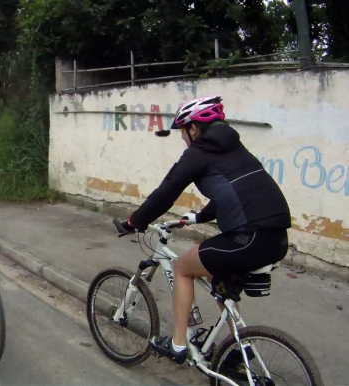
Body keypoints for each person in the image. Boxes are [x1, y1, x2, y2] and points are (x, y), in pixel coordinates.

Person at [115, 95, 291, 364]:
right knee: (216, 277)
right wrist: (199, 216)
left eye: (183, 132)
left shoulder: (198, 153)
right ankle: (240, 349)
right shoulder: (235, 148)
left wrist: (134, 222)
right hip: (275, 238)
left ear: (193, 128)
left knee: (183, 268)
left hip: (249, 237)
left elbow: (166, 192)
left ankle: (177, 344)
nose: (183, 138)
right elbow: (235, 192)